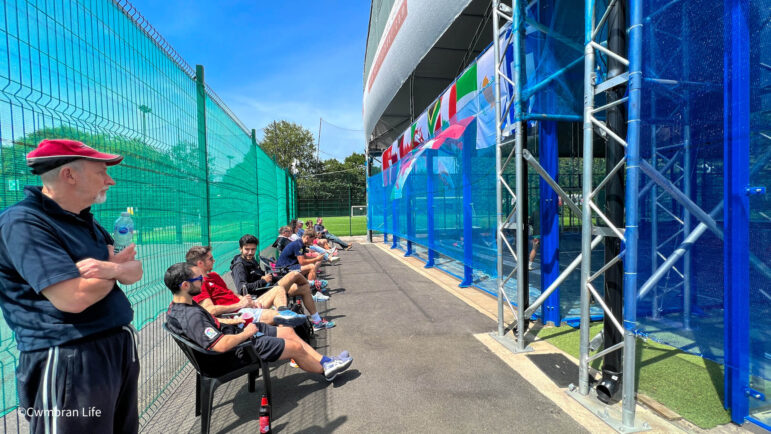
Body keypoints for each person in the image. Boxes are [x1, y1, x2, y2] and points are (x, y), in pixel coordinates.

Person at [0, 139, 143, 433]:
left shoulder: (85, 221)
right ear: (69, 174)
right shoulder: (24, 223)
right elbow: (73, 297)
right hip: (69, 358)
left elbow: (135, 270)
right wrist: (116, 270)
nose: (110, 180)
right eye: (101, 172)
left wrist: (106, 269)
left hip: (114, 350)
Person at [164, 263, 353, 381]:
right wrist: (246, 333)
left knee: (287, 331)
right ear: (185, 285)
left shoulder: (178, 306)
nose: (202, 281)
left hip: (235, 335)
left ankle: (327, 362)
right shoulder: (191, 316)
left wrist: (235, 320)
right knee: (294, 347)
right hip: (236, 352)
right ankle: (324, 369)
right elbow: (220, 345)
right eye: (198, 279)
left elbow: (210, 321)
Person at [184, 246, 310, 328]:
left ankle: (285, 312)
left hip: (246, 305)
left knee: (279, 290)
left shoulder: (214, 276)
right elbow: (210, 310)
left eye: (253, 249)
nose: (214, 261)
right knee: (282, 317)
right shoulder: (198, 284)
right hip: (236, 314)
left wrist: (249, 302)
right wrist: (241, 304)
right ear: (200, 263)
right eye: (210, 259)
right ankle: (290, 340)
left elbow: (231, 294)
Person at [230, 235, 334, 329]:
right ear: (240, 249)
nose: (250, 252)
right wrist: (262, 281)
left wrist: (273, 279)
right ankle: (312, 284)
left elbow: (266, 277)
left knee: (304, 289)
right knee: (294, 274)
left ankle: (317, 321)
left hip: (268, 288)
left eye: (253, 249)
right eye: (247, 249)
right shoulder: (239, 266)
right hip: (262, 295)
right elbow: (242, 288)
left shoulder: (251, 260)